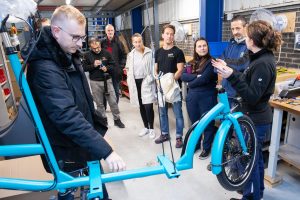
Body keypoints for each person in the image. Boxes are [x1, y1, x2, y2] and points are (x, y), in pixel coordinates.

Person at [26, 5, 126, 200]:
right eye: (76, 37)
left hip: (81, 143)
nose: (81, 44)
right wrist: (106, 151)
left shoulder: (66, 52)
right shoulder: (45, 67)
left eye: (82, 37)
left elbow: (81, 97)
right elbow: (66, 116)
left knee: (96, 186)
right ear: (56, 31)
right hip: (66, 149)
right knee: (70, 192)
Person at [212, 20, 282, 200]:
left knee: (251, 161)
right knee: (256, 161)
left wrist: (231, 76)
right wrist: (227, 65)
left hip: (257, 120)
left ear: (253, 40)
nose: (245, 38)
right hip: (252, 116)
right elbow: (241, 65)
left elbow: (252, 95)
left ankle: (252, 197)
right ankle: (256, 195)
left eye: (247, 36)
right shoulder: (256, 56)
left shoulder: (263, 64)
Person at [181, 37, 217, 159]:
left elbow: (205, 78)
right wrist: (197, 76)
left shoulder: (212, 62)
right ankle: (196, 144)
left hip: (207, 97)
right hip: (192, 98)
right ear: (195, 49)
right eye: (199, 46)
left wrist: (191, 82)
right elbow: (183, 76)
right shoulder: (191, 62)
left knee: (207, 124)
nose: (202, 48)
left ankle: (206, 148)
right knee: (195, 123)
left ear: (207, 47)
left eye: (204, 46)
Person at [154, 24, 185, 148]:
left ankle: (179, 137)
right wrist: (158, 81)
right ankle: (165, 134)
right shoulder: (158, 52)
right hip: (161, 87)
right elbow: (155, 69)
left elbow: (180, 70)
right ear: (163, 35)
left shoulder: (178, 52)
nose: (169, 36)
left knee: (178, 114)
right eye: (167, 33)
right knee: (162, 112)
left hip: (173, 87)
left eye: (172, 34)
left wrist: (170, 83)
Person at [83, 37, 125, 128]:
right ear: (90, 47)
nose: (97, 50)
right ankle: (103, 121)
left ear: (100, 44)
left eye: (98, 47)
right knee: (99, 104)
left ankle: (117, 120)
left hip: (107, 81)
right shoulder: (87, 55)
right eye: (94, 48)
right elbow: (84, 68)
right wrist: (93, 65)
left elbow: (113, 65)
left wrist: (107, 68)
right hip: (95, 82)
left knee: (113, 101)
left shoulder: (106, 53)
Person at [126, 33, 156, 139]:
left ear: (142, 41)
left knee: (148, 106)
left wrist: (150, 79)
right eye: (135, 42)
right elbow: (128, 68)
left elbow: (153, 68)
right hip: (135, 83)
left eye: (139, 41)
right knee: (141, 106)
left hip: (146, 82)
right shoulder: (130, 55)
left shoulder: (149, 52)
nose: (137, 44)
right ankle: (146, 127)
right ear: (132, 42)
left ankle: (152, 128)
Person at [220, 15, 249, 104]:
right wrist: (224, 65)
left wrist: (225, 64)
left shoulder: (250, 46)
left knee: (236, 118)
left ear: (246, 27)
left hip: (238, 94)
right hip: (225, 92)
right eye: (233, 29)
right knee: (224, 118)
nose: (235, 32)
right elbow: (218, 65)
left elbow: (242, 66)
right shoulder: (230, 45)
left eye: (238, 28)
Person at [101, 24, 127, 103]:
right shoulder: (102, 43)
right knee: (104, 89)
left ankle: (115, 107)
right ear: (106, 31)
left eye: (111, 30)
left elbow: (124, 55)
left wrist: (121, 67)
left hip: (116, 70)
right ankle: (104, 108)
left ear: (114, 31)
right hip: (105, 70)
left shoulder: (119, 42)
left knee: (115, 89)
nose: (110, 32)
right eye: (108, 30)